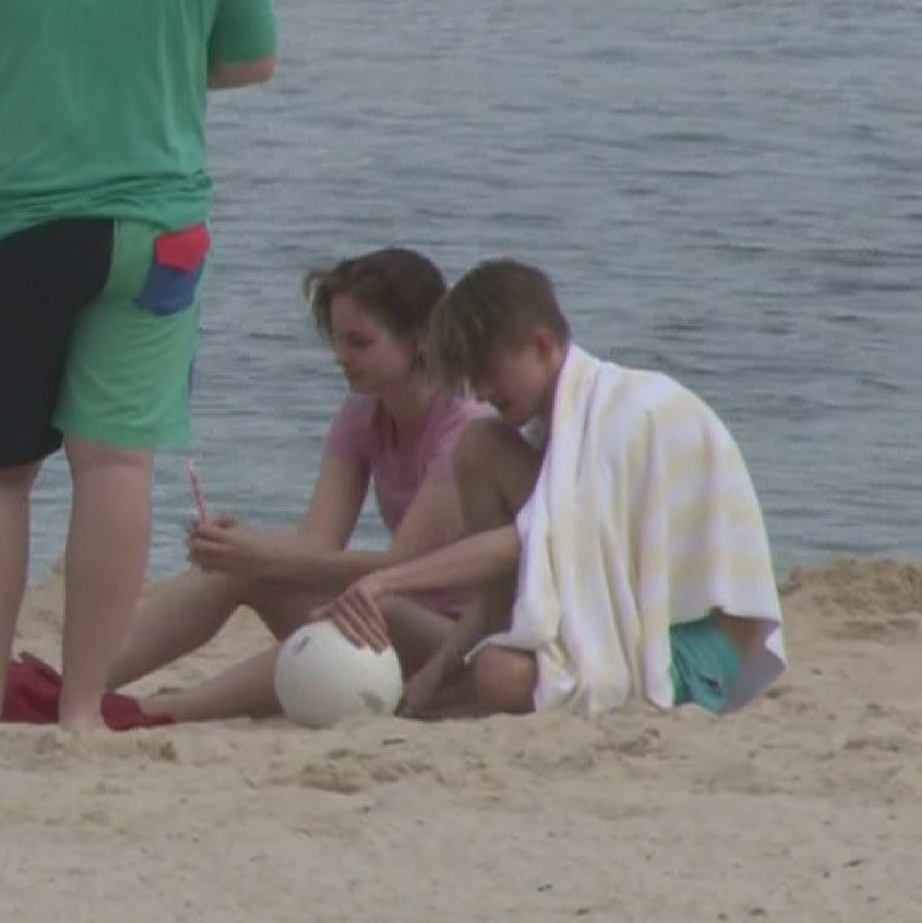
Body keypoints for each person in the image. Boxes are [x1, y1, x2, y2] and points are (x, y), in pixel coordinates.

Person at [0, 0, 279, 732]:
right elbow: (252, 60)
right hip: (160, 231)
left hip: (15, 229)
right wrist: (154, 63)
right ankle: (79, 713)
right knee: (116, 468)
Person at [316, 259, 788, 718]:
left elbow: (534, 539)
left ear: (542, 345)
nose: (480, 392)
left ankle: (483, 685)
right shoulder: (566, 420)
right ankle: (471, 675)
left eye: (489, 372)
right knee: (479, 444)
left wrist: (387, 580)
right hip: (641, 610)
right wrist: (439, 669)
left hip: (701, 639)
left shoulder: (622, 416)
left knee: (500, 674)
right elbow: (531, 559)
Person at [103, 248, 491, 724]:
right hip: (393, 618)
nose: (340, 357)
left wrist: (260, 555)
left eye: (359, 342)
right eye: (336, 339)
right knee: (239, 572)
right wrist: (240, 551)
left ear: (418, 339)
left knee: (375, 602)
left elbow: (404, 566)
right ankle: (81, 686)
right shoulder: (364, 412)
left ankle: (155, 711)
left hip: (465, 642)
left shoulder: (465, 429)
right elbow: (318, 545)